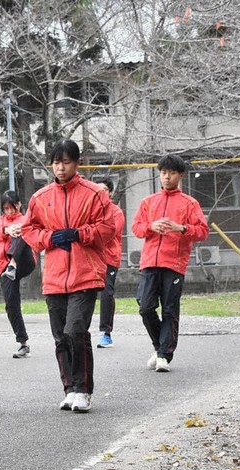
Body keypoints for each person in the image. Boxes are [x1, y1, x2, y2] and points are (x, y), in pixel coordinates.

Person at [21, 139, 115, 413]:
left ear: (77, 163)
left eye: (66, 162)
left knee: (76, 331)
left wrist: (80, 233)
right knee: (60, 337)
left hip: (86, 274)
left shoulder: (95, 194)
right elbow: (28, 230)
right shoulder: (40, 197)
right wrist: (49, 237)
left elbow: (109, 227)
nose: (60, 167)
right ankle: (70, 389)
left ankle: (84, 390)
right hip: (54, 277)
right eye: (56, 162)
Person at [131, 154, 209, 372]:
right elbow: (136, 228)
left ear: (180, 176)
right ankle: (160, 348)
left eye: (172, 173)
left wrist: (181, 228)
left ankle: (164, 354)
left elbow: (202, 231)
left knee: (169, 310)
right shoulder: (148, 202)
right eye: (164, 173)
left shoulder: (189, 203)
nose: (167, 177)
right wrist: (151, 226)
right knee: (145, 307)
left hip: (174, 263)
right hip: (149, 262)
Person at [0, 190, 35, 358]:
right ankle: (23, 343)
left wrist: (16, 230)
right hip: (5, 268)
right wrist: (7, 230)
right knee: (11, 305)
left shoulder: (24, 219)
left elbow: (30, 233)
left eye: (12, 208)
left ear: (19, 205)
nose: (9, 212)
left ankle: (13, 263)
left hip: (24, 262)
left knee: (22, 229)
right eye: (6, 208)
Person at [94, 178, 125, 348]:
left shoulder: (116, 212)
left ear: (110, 193)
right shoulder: (89, 211)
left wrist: (90, 234)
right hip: (91, 258)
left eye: (104, 189)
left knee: (106, 293)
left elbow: (108, 233)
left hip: (109, 259)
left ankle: (106, 333)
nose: (100, 193)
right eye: (97, 189)